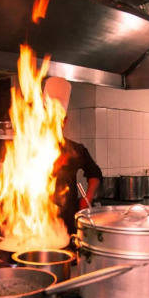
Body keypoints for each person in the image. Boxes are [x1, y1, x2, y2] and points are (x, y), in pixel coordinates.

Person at [45, 77, 103, 235]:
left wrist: (88, 196)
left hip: (67, 218)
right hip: (38, 218)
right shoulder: (28, 149)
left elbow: (95, 173)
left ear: (65, 121)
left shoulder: (75, 149)